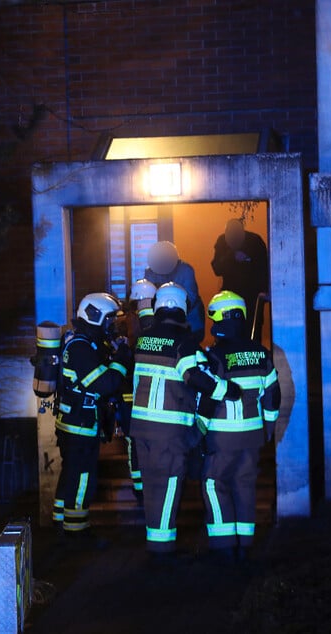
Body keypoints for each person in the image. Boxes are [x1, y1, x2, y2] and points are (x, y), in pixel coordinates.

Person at [130, 282, 240, 561]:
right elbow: (195, 377)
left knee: (153, 487)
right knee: (167, 488)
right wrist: (228, 391)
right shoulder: (183, 344)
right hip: (169, 430)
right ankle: (162, 551)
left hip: (140, 429)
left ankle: (155, 543)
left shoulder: (144, 338)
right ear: (182, 308)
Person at [197, 291, 281, 564]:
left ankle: (224, 548)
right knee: (245, 487)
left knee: (214, 485)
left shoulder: (214, 356)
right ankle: (245, 545)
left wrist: (198, 431)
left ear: (222, 318)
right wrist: (268, 427)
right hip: (253, 437)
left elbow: (207, 399)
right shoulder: (261, 353)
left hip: (222, 437)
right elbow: (273, 393)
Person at [52, 292, 132, 546]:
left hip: (77, 423)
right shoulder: (80, 348)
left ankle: (60, 524)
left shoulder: (85, 343)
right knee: (83, 477)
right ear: (94, 316)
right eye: (108, 320)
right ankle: (77, 533)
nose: (111, 325)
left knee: (71, 474)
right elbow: (104, 383)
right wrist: (121, 360)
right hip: (80, 426)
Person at [115, 279, 157, 503]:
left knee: (134, 439)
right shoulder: (158, 321)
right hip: (148, 389)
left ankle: (140, 485)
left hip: (130, 388)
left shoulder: (126, 321)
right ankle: (146, 484)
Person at [210, 219, 269, 339]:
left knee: (252, 331)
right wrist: (231, 256)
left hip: (252, 297)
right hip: (230, 298)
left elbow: (264, 267)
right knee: (230, 331)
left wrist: (264, 291)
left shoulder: (255, 241)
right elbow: (217, 268)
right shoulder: (222, 241)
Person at [144, 241, 205, 345]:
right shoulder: (150, 272)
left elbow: (191, 298)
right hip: (164, 324)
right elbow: (147, 297)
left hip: (191, 323)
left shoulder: (186, 270)